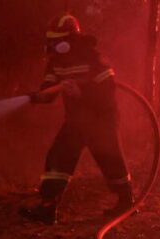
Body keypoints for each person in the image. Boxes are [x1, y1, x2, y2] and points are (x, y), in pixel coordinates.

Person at [19, 13, 133, 225]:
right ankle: (47, 207)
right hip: (77, 121)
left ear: (71, 39)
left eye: (58, 40)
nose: (54, 45)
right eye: (52, 40)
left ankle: (126, 201)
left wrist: (82, 94)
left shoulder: (93, 57)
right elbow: (49, 90)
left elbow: (108, 90)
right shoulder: (56, 63)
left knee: (110, 158)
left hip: (102, 117)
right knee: (58, 157)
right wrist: (39, 96)